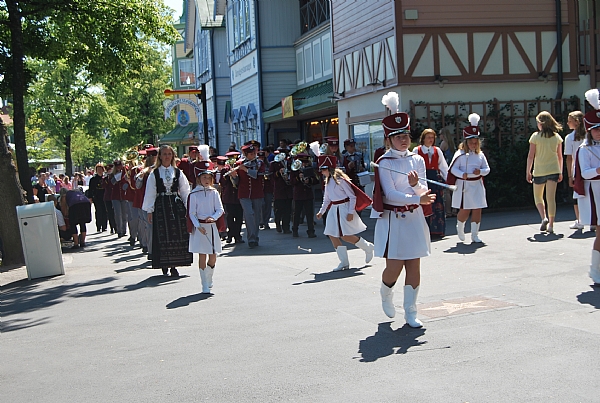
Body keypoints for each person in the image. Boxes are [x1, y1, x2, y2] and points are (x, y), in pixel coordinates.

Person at [373, 91, 435, 328]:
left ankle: (410, 311)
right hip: (395, 219)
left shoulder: (417, 159)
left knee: (414, 265)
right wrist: (416, 197)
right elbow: (389, 195)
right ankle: (386, 293)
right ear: (388, 139)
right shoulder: (384, 162)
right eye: (398, 136)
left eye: (406, 135)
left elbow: (424, 190)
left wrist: (416, 186)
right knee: (394, 267)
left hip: (414, 218)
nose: (403, 140)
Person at [316, 155, 374, 271]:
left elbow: (352, 196)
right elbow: (327, 199)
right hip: (334, 210)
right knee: (332, 234)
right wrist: (321, 211)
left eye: (324, 169)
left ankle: (367, 247)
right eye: (321, 170)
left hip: (344, 208)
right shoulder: (327, 182)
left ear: (330, 169)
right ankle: (344, 262)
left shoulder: (341, 181)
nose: (322, 172)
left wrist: (350, 212)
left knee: (346, 236)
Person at [142, 145, 192, 277]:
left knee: (177, 233)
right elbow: (151, 193)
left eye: (169, 154)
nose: (167, 156)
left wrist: (189, 208)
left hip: (176, 205)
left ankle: (174, 265)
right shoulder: (155, 173)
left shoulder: (178, 172)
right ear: (160, 156)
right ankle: (164, 263)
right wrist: (149, 210)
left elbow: (185, 191)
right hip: (161, 206)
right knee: (163, 234)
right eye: (164, 154)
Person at [450, 114, 491, 243]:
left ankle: (475, 234)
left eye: (475, 143)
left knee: (477, 208)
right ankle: (460, 227)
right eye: (471, 142)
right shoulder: (460, 154)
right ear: (466, 142)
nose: (474, 145)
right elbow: (453, 169)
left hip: (477, 184)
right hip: (464, 185)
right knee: (465, 209)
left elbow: (487, 169)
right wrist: (462, 174)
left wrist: (481, 171)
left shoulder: (480, 155)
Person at [575, 89, 600, 285]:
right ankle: (595, 270)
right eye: (596, 129)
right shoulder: (585, 149)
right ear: (589, 130)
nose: (599, 132)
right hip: (596, 191)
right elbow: (584, 173)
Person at [188, 161, 224, 294]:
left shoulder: (214, 193)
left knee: (213, 256)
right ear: (199, 179)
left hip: (211, 226)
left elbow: (220, 209)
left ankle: (209, 277)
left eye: (209, 178)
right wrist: (197, 226)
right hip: (200, 228)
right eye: (204, 177)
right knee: (202, 255)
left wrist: (213, 217)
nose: (207, 180)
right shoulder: (194, 194)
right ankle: (204, 284)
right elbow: (191, 213)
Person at [526, 111, 563, 234]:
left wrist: (528, 171)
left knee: (538, 196)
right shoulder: (556, 137)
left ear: (540, 124)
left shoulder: (535, 137)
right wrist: (561, 171)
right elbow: (560, 157)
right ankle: (551, 225)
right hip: (553, 169)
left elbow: (531, 156)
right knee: (551, 198)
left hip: (539, 171)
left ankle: (544, 217)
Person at [229, 141, 265, 248]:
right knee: (249, 215)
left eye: (254, 153)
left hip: (257, 193)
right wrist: (234, 176)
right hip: (244, 193)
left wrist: (246, 170)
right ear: (245, 155)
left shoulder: (259, 163)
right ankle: (251, 239)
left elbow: (258, 175)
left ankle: (255, 236)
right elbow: (236, 182)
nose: (253, 156)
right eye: (251, 154)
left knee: (257, 217)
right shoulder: (238, 164)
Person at [413, 129, 449, 237]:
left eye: (432, 137)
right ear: (423, 138)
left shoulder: (437, 150)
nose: (430, 140)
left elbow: (443, 167)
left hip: (434, 180)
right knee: (425, 205)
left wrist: (448, 181)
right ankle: (425, 231)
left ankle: (437, 231)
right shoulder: (417, 150)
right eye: (428, 137)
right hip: (422, 180)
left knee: (437, 205)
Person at [564, 111, 586, 230]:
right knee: (591, 194)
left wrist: (569, 176)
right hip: (590, 168)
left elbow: (569, 158)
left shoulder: (570, 138)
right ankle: (592, 221)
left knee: (577, 195)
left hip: (577, 170)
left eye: (570, 121)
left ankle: (579, 220)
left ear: (576, 123)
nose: (567, 123)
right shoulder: (590, 135)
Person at [135, 146, 158, 259]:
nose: (155, 159)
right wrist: (141, 176)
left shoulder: (160, 169)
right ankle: (150, 250)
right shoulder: (142, 170)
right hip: (146, 202)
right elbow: (137, 186)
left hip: (158, 201)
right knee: (148, 227)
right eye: (153, 157)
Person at [290, 153, 319, 238]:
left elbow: (316, 180)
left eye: (305, 162)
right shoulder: (294, 169)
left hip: (308, 194)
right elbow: (291, 182)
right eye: (302, 162)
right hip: (298, 194)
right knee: (296, 213)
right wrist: (298, 178)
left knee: (309, 214)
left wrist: (309, 180)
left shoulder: (310, 169)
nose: (304, 164)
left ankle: (311, 231)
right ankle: (295, 230)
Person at [220, 152, 244, 243]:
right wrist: (228, 176)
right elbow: (222, 182)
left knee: (239, 217)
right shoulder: (224, 169)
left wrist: (235, 176)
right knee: (230, 217)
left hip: (238, 196)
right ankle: (230, 235)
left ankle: (238, 236)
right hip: (229, 197)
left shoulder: (240, 168)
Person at [270, 150, 293, 234]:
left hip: (288, 189)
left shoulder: (289, 162)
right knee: (279, 210)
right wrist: (278, 173)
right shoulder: (274, 164)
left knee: (288, 210)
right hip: (279, 190)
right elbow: (271, 175)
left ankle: (286, 227)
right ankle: (278, 224)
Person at [88, 164, 107, 232]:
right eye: (98, 169)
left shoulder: (105, 178)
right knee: (98, 211)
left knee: (105, 211)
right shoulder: (93, 179)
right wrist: (90, 197)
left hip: (105, 196)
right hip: (97, 197)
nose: (99, 171)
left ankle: (104, 226)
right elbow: (90, 189)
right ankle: (98, 226)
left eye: (101, 169)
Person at [258, 150, 273, 230]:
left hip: (268, 187)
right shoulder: (256, 165)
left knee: (268, 205)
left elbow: (271, 174)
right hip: (259, 188)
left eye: (262, 158)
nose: (261, 159)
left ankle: (266, 222)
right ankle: (261, 221)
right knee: (261, 205)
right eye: (260, 157)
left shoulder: (268, 165)